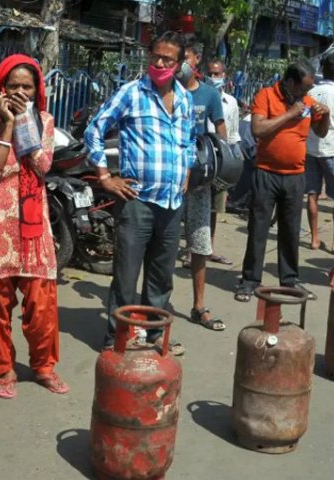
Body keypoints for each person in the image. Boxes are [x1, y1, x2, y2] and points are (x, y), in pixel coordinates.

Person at [84, 31, 195, 356]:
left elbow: (189, 140)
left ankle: (152, 338)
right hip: (137, 202)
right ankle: (115, 340)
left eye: (167, 59)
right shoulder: (132, 93)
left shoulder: (185, 99)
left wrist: (186, 171)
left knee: (161, 279)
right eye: (155, 56)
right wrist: (106, 176)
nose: (159, 63)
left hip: (172, 203)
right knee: (126, 277)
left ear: (179, 64)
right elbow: (95, 129)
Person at [0, 54, 68, 399]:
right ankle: (4, 368)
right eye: (12, 85)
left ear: (36, 90)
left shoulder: (45, 121)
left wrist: (26, 122)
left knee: (41, 302)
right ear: (0, 89)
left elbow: (42, 164)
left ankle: (44, 366)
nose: (19, 91)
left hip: (33, 225)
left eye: (26, 86)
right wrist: (9, 125)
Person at [234, 60, 330, 303]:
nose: (306, 94)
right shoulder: (266, 96)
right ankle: (250, 280)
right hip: (266, 173)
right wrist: (289, 114)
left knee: (290, 231)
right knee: (259, 228)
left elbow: (320, 132)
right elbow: (258, 129)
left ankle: (289, 280)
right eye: (303, 88)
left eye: (309, 90)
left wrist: (326, 115)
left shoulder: (307, 103)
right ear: (289, 82)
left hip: (295, 176)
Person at [179, 37, 228, 333]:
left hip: (199, 178)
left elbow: (219, 128)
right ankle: (152, 307)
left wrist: (226, 157)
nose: (180, 64)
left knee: (200, 242)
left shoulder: (209, 95)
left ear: (196, 59)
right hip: (169, 178)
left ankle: (199, 305)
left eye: (185, 57)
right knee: (162, 243)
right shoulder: (164, 92)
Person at [305, 53, 334, 254]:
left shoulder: (310, 92)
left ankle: (314, 239)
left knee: (312, 193)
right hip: (333, 149)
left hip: (311, 148)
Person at [206, 58, 240, 266]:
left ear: (225, 77)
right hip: (201, 157)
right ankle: (192, 251)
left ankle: (207, 248)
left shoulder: (231, 103)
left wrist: (234, 162)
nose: (214, 77)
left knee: (214, 208)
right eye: (211, 73)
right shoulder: (197, 96)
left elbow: (233, 135)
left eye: (217, 74)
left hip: (220, 161)